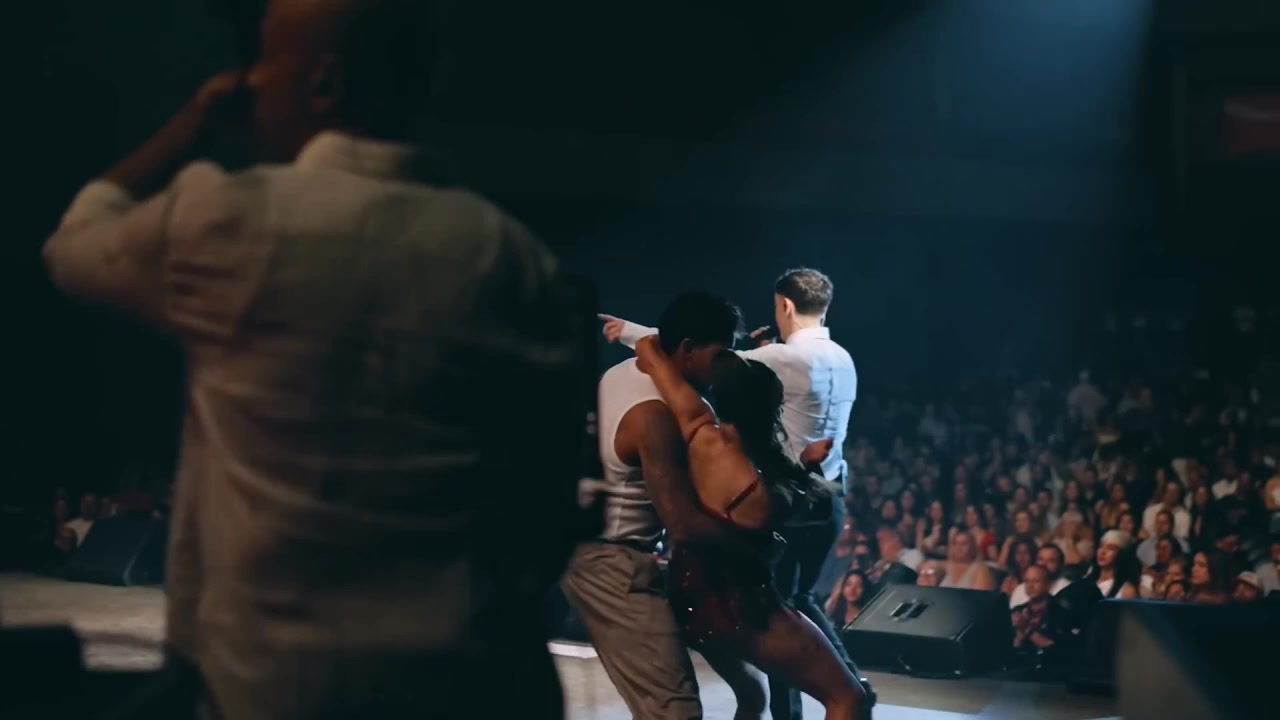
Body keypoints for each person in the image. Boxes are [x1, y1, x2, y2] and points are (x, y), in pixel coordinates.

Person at [43, 1, 586, 718]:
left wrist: (194, 121)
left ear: (325, 83)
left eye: (262, 62)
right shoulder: (522, 264)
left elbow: (74, 246)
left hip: (279, 691)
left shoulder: (231, 219)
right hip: (484, 688)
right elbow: (547, 516)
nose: (248, 81)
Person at [601, 268, 871, 720]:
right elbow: (805, 509)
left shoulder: (703, 434)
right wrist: (805, 471)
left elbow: (680, 372)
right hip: (738, 605)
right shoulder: (840, 363)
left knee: (752, 695)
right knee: (849, 697)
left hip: (691, 597)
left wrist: (643, 341)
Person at [562, 291, 742, 720]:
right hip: (615, 565)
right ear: (688, 349)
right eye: (720, 355)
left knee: (747, 685)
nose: (725, 367)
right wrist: (754, 542)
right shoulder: (656, 416)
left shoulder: (622, 372)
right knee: (674, 710)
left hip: (602, 550)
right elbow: (683, 524)